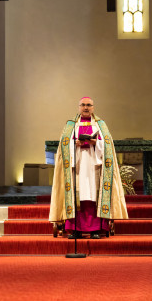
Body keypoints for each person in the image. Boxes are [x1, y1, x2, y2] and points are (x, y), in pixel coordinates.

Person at [49, 97, 128, 239]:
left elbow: (108, 145)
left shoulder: (100, 125)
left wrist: (96, 142)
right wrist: (74, 144)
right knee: (76, 196)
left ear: (93, 107)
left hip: (94, 166)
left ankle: (95, 230)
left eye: (89, 105)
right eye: (83, 105)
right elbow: (63, 145)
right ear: (79, 107)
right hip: (76, 166)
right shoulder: (71, 125)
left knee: (93, 196)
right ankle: (75, 230)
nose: (86, 108)